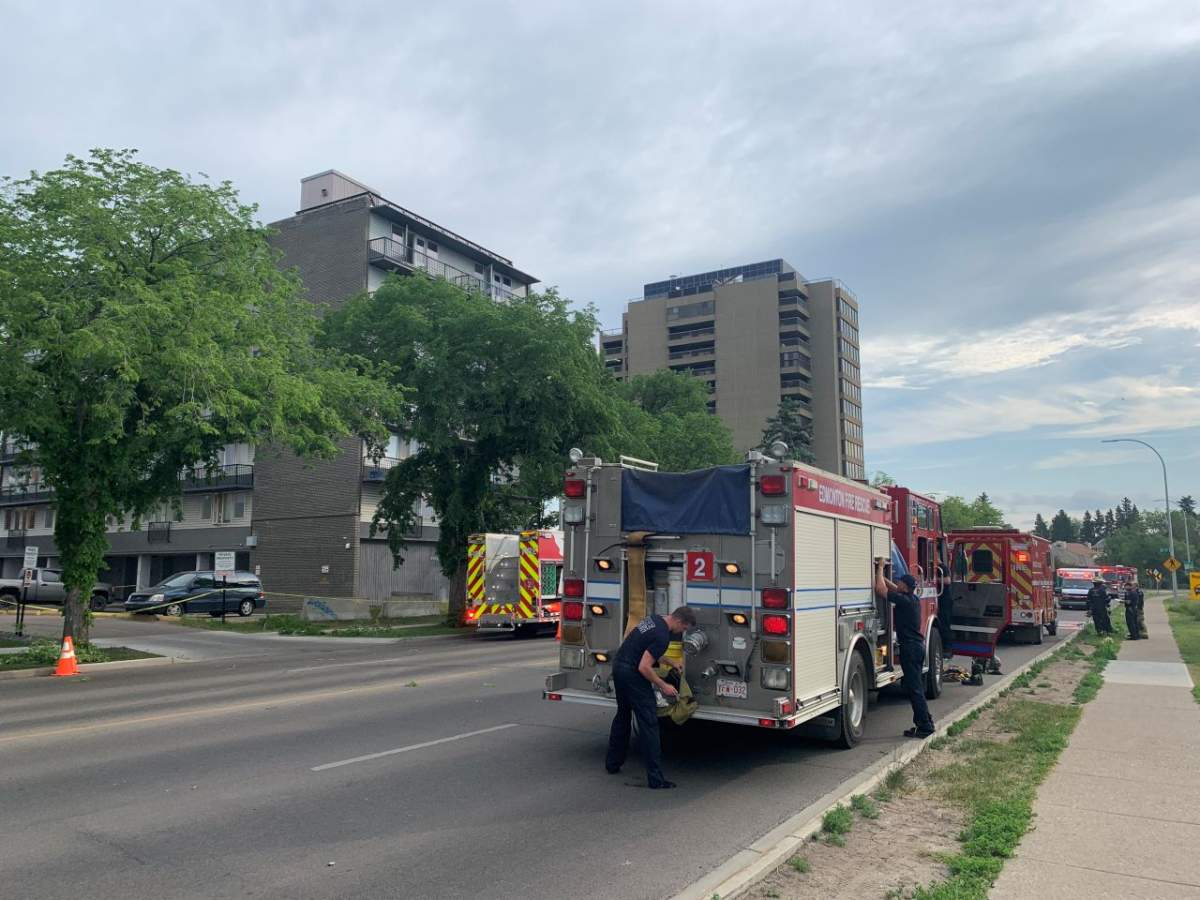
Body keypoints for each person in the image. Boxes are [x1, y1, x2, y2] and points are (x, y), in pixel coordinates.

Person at [605, 605, 697, 789]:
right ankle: (656, 779)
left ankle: (612, 764)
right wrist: (665, 686)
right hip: (633, 674)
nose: (682, 632)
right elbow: (644, 667)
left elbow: (648, 650)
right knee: (649, 723)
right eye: (684, 628)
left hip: (619, 668)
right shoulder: (663, 636)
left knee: (622, 715)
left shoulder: (654, 620)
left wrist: (670, 662)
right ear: (679, 621)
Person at [874, 560, 935, 738]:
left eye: (900, 581)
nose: (897, 582)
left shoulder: (903, 600)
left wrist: (878, 569)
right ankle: (924, 722)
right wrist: (882, 575)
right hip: (916, 648)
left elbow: (881, 590)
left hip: (910, 649)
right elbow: (892, 586)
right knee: (914, 687)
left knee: (914, 689)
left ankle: (925, 726)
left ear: (906, 587)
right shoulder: (911, 599)